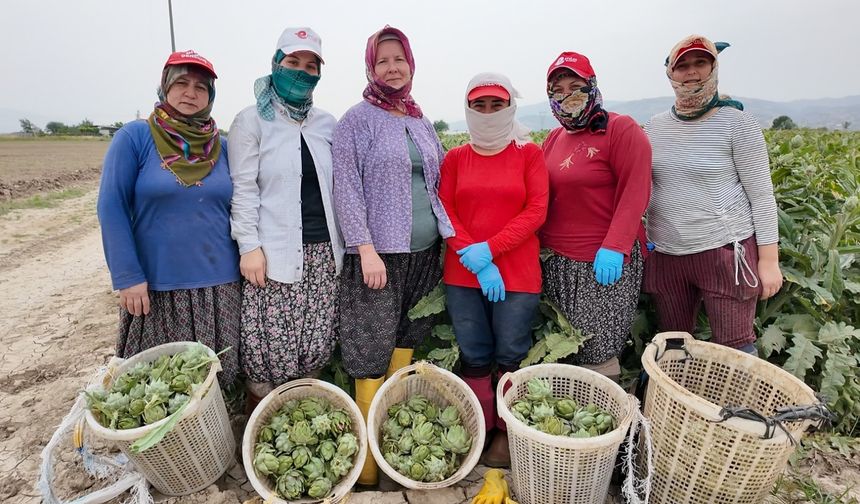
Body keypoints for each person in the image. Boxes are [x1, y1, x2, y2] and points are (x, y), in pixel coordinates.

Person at [332, 25, 454, 485]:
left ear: (411, 64)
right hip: (379, 254)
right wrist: (364, 248)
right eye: (382, 61)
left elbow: (437, 185)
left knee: (408, 334)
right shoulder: (356, 121)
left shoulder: (420, 121)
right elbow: (347, 188)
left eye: (398, 59)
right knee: (369, 345)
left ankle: (389, 436)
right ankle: (364, 460)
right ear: (370, 67)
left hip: (424, 250)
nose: (392, 68)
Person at [97, 50, 240, 385]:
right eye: (181, 83)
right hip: (157, 288)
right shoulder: (135, 137)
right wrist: (127, 276)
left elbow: (245, 206)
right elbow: (111, 206)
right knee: (160, 386)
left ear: (211, 96)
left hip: (220, 287)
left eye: (200, 87)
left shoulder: (225, 146)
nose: (190, 93)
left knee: (216, 382)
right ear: (164, 88)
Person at [227, 27, 344, 410]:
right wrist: (249, 248)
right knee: (268, 347)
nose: (302, 72)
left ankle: (302, 417)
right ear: (275, 64)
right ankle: (260, 419)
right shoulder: (251, 122)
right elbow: (243, 189)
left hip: (324, 254)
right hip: (273, 254)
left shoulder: (326, 123)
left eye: (311, 65)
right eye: (293, 62)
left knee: (315, 341)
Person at [643, 35, 782, 353]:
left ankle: (739, 405)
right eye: (683, 65)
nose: (691, 71)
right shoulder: (654, 127)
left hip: (724, 253)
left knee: (735, 346)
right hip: (667, 255)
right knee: (674, 343)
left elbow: (761, 196)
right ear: (670, 73)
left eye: (700, 63)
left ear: (713, 68)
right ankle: (679, 402)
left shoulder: (737, 123)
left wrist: (769, 260)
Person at [439, 73, 548, 467]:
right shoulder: (455, 158)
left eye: (496, 105)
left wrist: (491, 250)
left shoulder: (527, 154)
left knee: (510, 355)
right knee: (474, 355)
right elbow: (446, 211)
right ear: (468, 110)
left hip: (517, 274)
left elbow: (536, 209)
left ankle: (504, 436)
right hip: (464, 273)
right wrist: (474, 255)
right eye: (479, 105)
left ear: (510, 107)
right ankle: (480, 427)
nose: (487, 112)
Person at [539, 52, 652, 382]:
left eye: (575, 86)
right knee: (566, 347)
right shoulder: (554, 138)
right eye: (557, 90)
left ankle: (609, 424)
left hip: (602, 263)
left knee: (598, 350)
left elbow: (636, 190)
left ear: (592, 86)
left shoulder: (620, 129)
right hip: (557, 263)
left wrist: (616, 246)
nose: (567, 96)